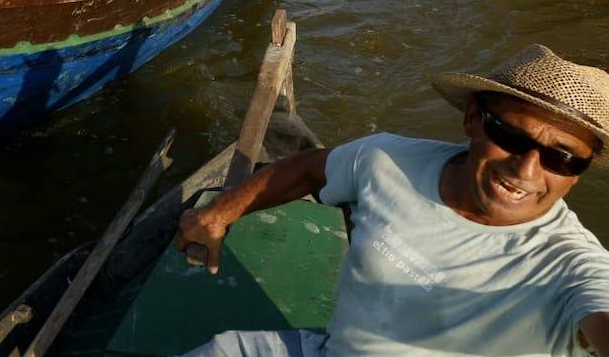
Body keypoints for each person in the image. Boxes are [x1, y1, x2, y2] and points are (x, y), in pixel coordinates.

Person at [175, 45, 609, 357]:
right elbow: (309, 168)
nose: (527, 171)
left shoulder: (571, 263)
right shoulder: (387, 160)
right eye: (511, 136)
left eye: (562, 158)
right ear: (473, 118)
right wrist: (216, 215)